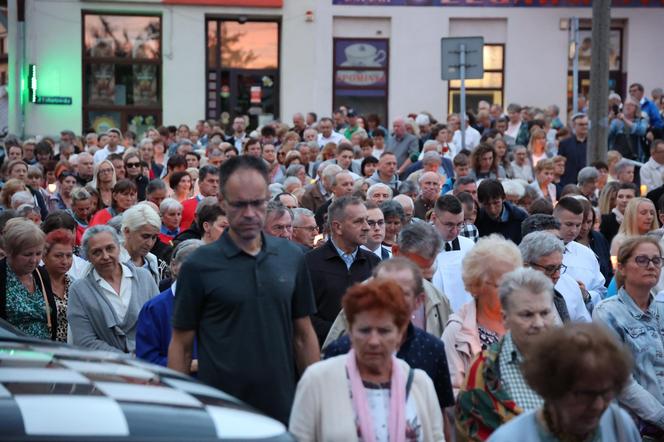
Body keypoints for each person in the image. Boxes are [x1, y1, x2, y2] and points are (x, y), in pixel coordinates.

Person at [168, 155, 319, 424]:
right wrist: (179, 413)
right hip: (221, 411)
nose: (249, 213)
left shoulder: (291, 257)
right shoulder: (199, 266)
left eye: (257, 203)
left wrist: (317, 399)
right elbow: (181, 344)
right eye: (239, 205)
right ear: (222, 203)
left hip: (282, 408)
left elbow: (303, 335)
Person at [289, 279, 445, 441]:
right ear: (350, 332)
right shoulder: (318, 381)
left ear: (400, 335)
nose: (373, 341)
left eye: (384, 331)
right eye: (364, 330)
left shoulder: (420, 384)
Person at [324, 258, 455, 440]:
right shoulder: (340, 351)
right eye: (383, 291)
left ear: (419, 300)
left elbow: (439, 419)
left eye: (402, 293)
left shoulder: (432, 349)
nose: (390, 300)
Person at [487, 323, 639, 442]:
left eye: (606, 393)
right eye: (585, 394)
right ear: (552, 388)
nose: (598, 405)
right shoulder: (511, 438)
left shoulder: (619, 424)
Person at [456, 268, 557, 441]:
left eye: (545, 313)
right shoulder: (484, 369)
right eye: (527, 315)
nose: (539, 323)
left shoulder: (575, 362)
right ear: (505, 318)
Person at [593, 236, 664, 437]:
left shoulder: (662, 308)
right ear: (621, 268)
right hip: (638, 428)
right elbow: (620, 380)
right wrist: (661, 418)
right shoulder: (608, 312)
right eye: (642, 260)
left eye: (656, 260)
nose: (651, 266)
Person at [442, 234, 523, 394]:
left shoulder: (527, 322)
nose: (510, 291)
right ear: (476, 285)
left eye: (515, 282)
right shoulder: (456, 331)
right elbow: (451, 391)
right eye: (502, 284)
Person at [68, 225, 158, 353]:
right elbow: (85, 341)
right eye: (97, 252)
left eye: (110, 248)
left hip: (150, 360)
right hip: (107, 367)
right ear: (87, 256)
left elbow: (159, 321)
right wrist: (126, 359)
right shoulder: (79, 290)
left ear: (119, 248)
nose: (105, 256)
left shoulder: (144, 277)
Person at [306, 196, 380, 345]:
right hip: (325, 353)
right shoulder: (309, 263)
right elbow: (304, 316)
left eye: (367, 220)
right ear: (337, 227)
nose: (367, 227)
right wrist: (342, 333)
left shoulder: (374, 263)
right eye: (359, 221)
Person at [136, 239, 203, 368]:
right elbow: (146, 361)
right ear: (174, 266)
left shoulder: (218, 304)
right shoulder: (155, 309)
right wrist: (193, 365)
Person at [0, 218, 57, 340]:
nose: (34, 260)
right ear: (10, 252)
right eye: (27, 254)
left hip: (44, 350)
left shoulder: (41, 274)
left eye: (38, 254)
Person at [520, 231, 589, 323]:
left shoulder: (569, 285)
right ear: (526, 267)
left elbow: (583, 326)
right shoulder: (511, 299)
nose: (557, 275)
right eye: (550, 269)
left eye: (559, 267)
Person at [553, 197, 606, 303]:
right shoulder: (537, 251)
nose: (574, 230)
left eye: (578, 225)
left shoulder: (588, 255)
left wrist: (587, 295)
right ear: (554, 219)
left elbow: (601, 292)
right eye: (569, 224)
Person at [431, 195, 475, 312]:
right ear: (434, 218)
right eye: (449, 225)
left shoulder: (468, 246)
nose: (455, 231)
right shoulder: (419, 246)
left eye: (460, 224)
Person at [42, 229, 75, 342]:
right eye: (58, 256)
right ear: (44, 256)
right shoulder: (35, 283)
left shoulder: (74, 285)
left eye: (69, 256)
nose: (65, 261)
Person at [120, 203, 163, 284]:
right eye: (145, 236)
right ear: (127, 231)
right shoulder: (114, 261)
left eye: (154, 237)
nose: (150, 243)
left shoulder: (152, 260)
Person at [476, 179, 528, 244]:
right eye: (487, 204)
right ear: (481, 203)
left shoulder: (520, 218)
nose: (492, 209)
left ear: (503, 198)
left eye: (496, 203)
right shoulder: (478, 219)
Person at [558, 114, 589, 187]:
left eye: (586, 124)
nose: (584, 127)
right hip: (569, 182)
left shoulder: (592, 144)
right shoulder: (565, 143)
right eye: (581, 124)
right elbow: (560, 162)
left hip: (587, 182)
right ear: (574, 126)